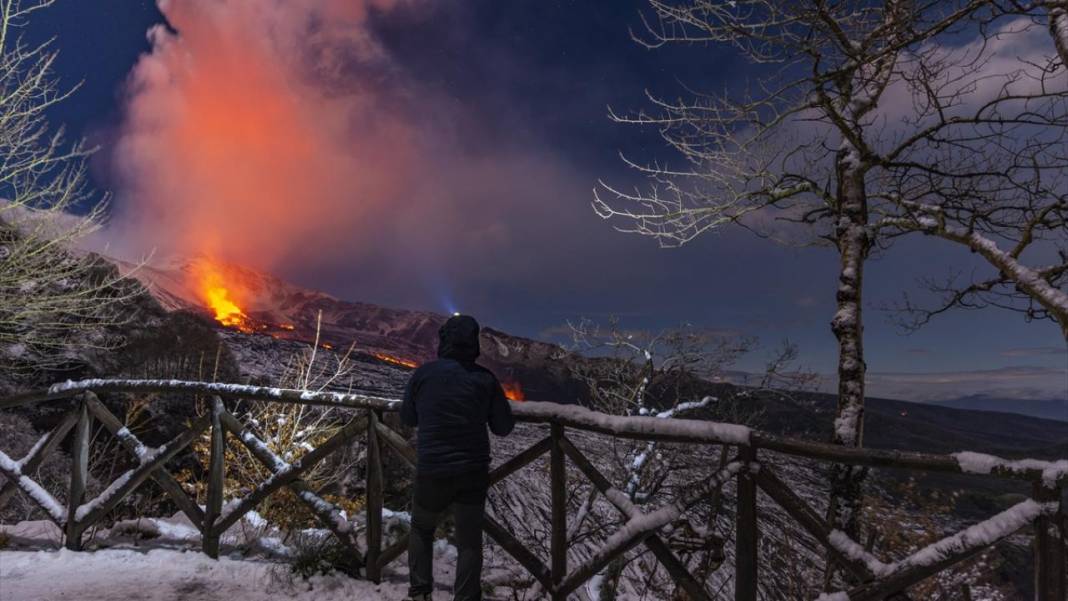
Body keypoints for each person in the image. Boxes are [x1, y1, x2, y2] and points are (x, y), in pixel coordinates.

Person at [400, 314, 516, 601]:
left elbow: (407, 418)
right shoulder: (484, 379)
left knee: (421, 529)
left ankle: (420, 592)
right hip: (471, 473)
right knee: (469, 544)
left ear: (443, 340)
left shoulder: (423, 375)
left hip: (432, 471)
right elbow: (503, 428)